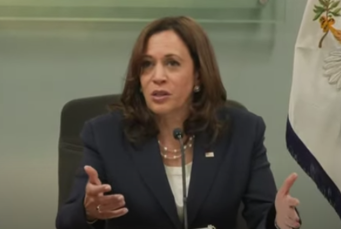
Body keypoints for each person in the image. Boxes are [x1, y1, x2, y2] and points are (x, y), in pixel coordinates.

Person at [55, 16, 302, 229]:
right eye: (147, 65)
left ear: (198, 75)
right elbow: (66, 222)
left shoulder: (242, 132)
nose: (157, 77)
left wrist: (279, 219)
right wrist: (88, 211)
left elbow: (263, 215)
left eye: (172, 63)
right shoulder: (104, 134)